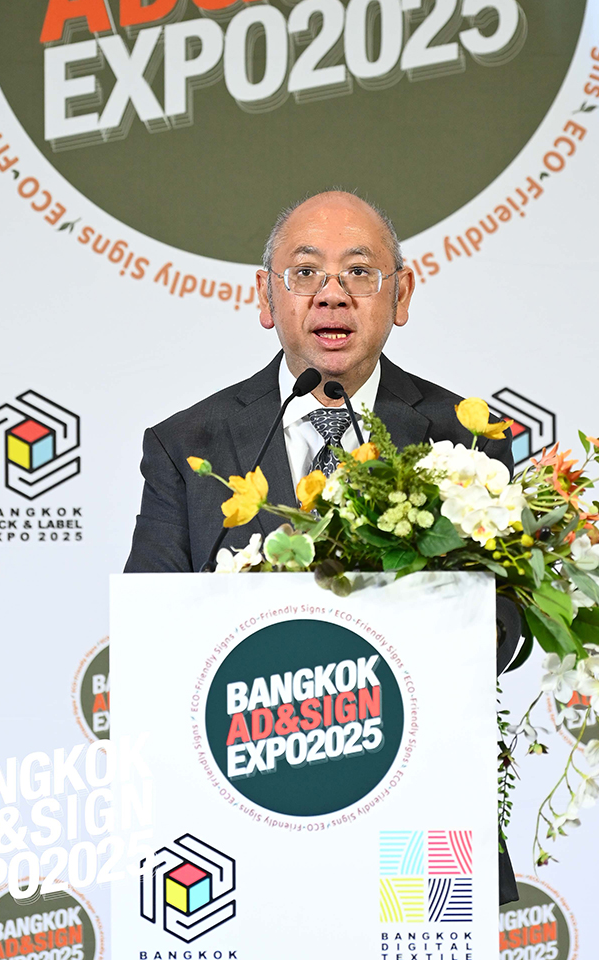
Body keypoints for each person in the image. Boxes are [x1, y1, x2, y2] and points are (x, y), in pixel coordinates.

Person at [124, 188, 520, 903]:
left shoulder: (464, 437)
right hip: (240, 817)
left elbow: (507, 621)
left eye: (359, 272)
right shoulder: (188, 444)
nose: (331, 295)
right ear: (265, 298)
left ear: (401, 295)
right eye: (305, 272)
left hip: (418, 807)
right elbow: (149, 630)